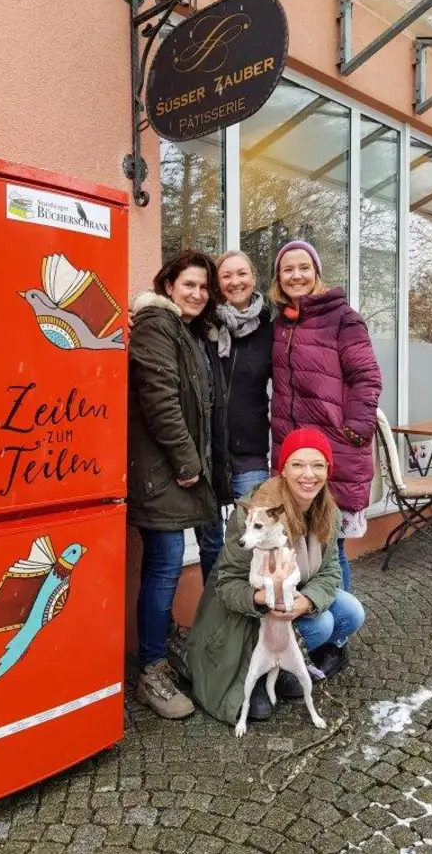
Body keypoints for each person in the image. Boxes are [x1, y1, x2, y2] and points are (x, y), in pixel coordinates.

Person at [185, 427, 366, 725]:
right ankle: (256, 673)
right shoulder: (255, 512)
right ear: (283, 469)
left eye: (318, 465)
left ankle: (282, 668)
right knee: (322, 624)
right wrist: (263, 600)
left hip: (292, 595)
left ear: (328, 471)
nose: (309, 474)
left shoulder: (328, 512)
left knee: (350, 613)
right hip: (245, 614)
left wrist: (306, 601)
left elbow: (331, 571)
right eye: (298, 464)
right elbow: (227, 585)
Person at [127, 250, 226, 720]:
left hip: (174, 471)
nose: (197, 293)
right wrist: (188, 462)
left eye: (204, 287)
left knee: (164, 566)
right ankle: (150, 670)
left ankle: (162, 649)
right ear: (168, 285)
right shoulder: (155, 323)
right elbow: (159, 399)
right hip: (161, 472)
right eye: (189, 284)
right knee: (165, 565)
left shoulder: (184, 332)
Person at [268, 240, 382, 609]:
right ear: (279, 278)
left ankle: (338, 631)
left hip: (334, 451)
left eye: (304, 267)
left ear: (317, 273)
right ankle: (313, 622)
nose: (296, 275)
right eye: (288, 269)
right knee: (301, 543)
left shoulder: (343, 319)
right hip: (292, 455)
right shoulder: (280, 325)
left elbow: (367, 377)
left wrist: (354, 431)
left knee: (331, 545)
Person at [195, 251, 274, 581]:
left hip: (250, 452)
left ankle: (246, 621)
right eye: (226, 276)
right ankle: (213, 621)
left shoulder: (272, 327)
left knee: (250, 541)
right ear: (218, 283)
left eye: (241, 274)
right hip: (205, 452)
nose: (235, 281)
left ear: (253, 278)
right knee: (211, 544)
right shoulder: (203, 325)